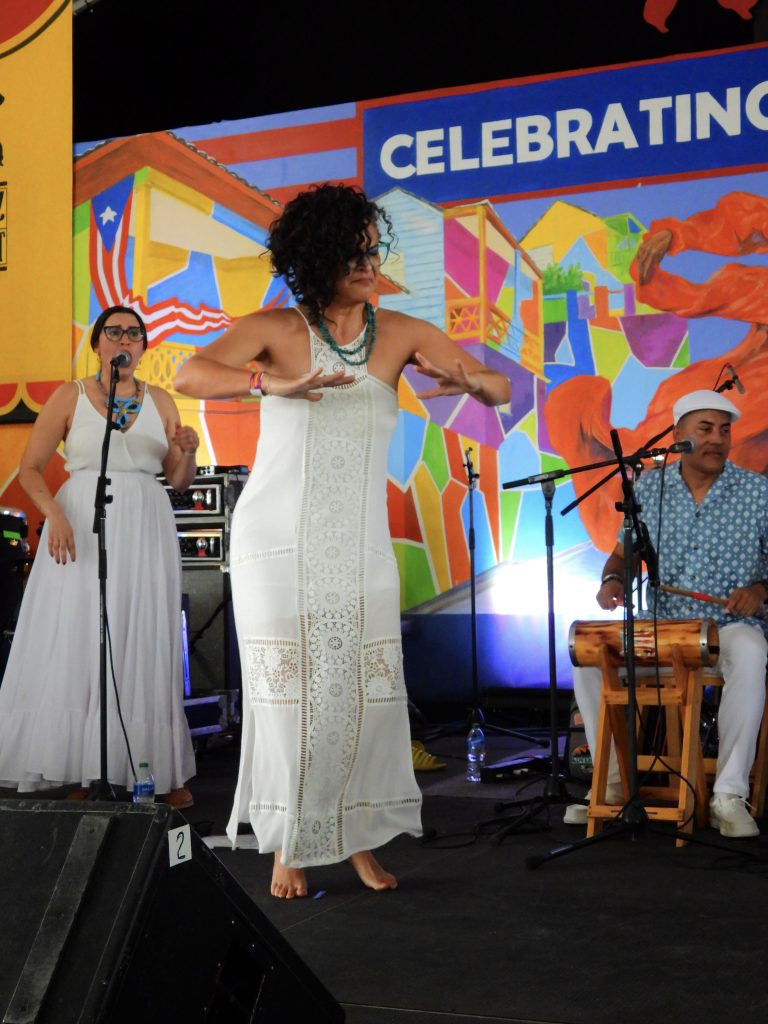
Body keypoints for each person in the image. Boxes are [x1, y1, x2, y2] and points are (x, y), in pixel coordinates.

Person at [174, 183, 511, 897]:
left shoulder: (403, 334)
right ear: (316, 256)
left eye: (370, 250)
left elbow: (497, 389)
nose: (366, 262)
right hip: (276, 538)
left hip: (357, 543)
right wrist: (269, 384)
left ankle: (356, 837)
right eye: (351, 252)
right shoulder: (277, 327)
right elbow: (189, 372)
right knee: (288, 696)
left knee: (361, 693)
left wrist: (474, 380)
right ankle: (289, 845)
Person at [0, 306, 197, 806]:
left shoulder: (162, 401)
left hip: (146, 525)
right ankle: (88, 771)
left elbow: (177, 480)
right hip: (82, 523)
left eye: (134, 332)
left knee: (142, 637)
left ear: (142, 345)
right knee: (85, 637)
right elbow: (31, 469)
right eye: (115, 331)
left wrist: (189, 452)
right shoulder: (71, 396)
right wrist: (56, 516)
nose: (124, 339)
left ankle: (158, 772)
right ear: (98, 343)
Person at [564, 389, 768, 837]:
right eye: (706, 428)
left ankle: (728, 795)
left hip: (728, 628)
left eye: (725, 430)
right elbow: (622, 557)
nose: (718, 439)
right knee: (588, 656)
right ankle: (612, 785)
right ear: (678, 436)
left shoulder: (758, 491)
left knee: (751, 652)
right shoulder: (649, 488)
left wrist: (758, 589)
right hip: (664, 629)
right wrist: (612, 581)